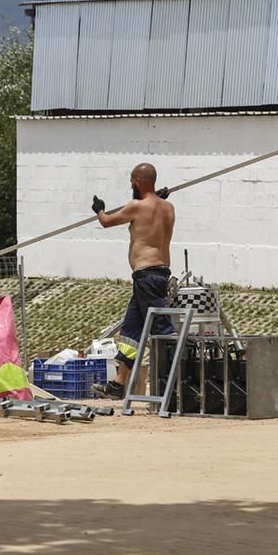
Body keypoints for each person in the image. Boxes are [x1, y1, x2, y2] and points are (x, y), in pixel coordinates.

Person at [90, 163, 175, 400]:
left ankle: (175, 382)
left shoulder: (136, 207)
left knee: (161, 330)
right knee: (131, 331)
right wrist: (157, 197)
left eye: (131, 181)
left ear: (137, 180)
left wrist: (99, 209)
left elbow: (106, 222)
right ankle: (118, 384)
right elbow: (153, 208)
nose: (130, 185)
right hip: (156, 275)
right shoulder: (168, 207)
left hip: (147, 276)